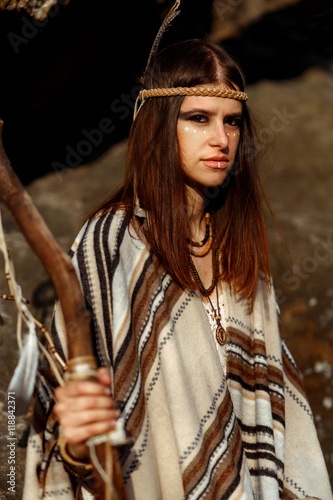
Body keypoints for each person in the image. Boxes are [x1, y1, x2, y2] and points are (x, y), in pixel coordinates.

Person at [23, 37, 332, 500]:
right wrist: (76, 439)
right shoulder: (111, 243)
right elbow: (59, 418)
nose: (221, 139)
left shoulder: (237, 247)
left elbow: (273, 406)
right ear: (160, 124)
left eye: (232, 122)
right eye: (198, 119)